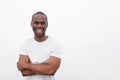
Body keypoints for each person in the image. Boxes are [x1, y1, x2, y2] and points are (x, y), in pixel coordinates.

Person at [17, 11, 61, 80]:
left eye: (42, 23)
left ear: (47, 25)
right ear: (31, 24)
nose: (39, 26)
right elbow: (24, 72)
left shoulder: (54, 44)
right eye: (36, 23)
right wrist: (45, 67)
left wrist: (26, 65)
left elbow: (51, 70)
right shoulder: (25, 44)